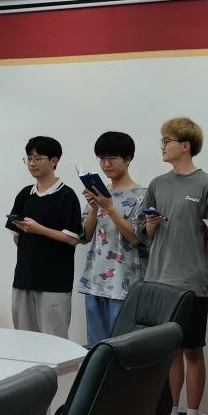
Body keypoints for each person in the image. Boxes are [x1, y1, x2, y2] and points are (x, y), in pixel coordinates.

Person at [138, 117, 208, 415]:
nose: (162, 146)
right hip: (158, 282)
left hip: (192, 286)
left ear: (185, 145)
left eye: (167, 140)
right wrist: (151, 223)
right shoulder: (157, 184)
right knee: (170, 352)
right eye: (161, 140)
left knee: (192, 350)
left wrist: (195, 266)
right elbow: (146, 235)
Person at [6, 136, 82, 339]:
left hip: (54, 282)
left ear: (54, 161)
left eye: (38, 158)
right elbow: (17, 236)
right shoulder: (25, 194)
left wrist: (39, 229)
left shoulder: (67, 196)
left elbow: (72, 239)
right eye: (29, 158)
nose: (32, 163)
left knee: (54, 341)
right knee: (24, 339)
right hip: (23, 279)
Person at [78, 131, 147, 345]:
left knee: (123, 347)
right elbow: (85, 236)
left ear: (128, 159)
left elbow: (136, 239)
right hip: (94, 280)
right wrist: (93, 208)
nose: (106, 164)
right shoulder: (99, 193)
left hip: (125, 283)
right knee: (97, 347)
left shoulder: (142, 195)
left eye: (112, 158)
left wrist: (109, 207)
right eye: (101, 158)